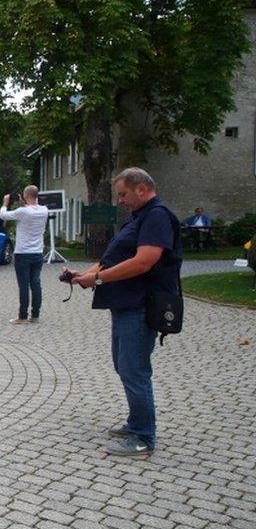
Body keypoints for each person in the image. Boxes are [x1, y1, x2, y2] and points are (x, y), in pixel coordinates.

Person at [64, 167, 182, 456]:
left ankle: (143, 437)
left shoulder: (157, 216)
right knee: (124, 365)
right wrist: (85, 275)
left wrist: (99, 279)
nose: (121, 201)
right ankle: (135, 423)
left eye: (123, 194)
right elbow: (111, 259)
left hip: (141, 305)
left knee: (134, 370)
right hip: (124, 304)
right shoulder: (138, 217)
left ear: (141, 189)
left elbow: (144, 262)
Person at [0, 186, 49, 324]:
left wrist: (5, 203)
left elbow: (3, 215)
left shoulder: (22, 212)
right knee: (36, 284)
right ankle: (35, 315)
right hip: (38, 252)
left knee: (24, 285)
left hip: (23, 253)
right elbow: (31, 209)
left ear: (26, 196)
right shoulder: (44, 210)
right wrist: (25, 203)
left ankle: (22, 316)